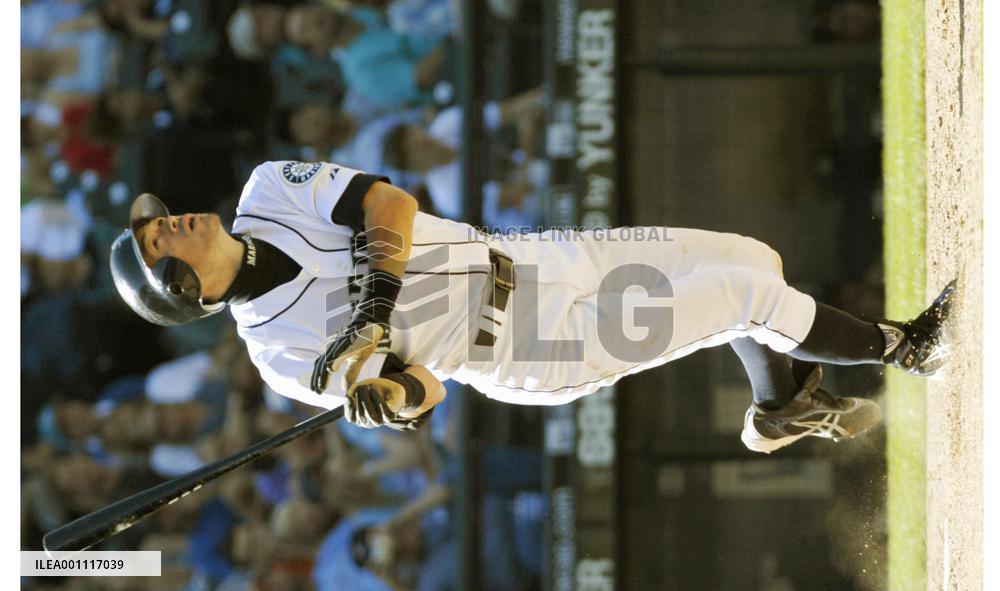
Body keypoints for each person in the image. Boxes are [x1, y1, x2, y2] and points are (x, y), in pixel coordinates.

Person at [109, 160, 956, 453]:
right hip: (532, 343)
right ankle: (906, 346)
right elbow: (429, 389)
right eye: (159, 246)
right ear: (186, 292)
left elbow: (389, 206)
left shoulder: (265, 192)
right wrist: (390, 398)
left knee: (753, 263)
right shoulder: (284, 356)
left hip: (535, 257)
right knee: (747, 295)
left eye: (156, 223)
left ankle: (782, 405)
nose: (169, 223)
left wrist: (372, 306)